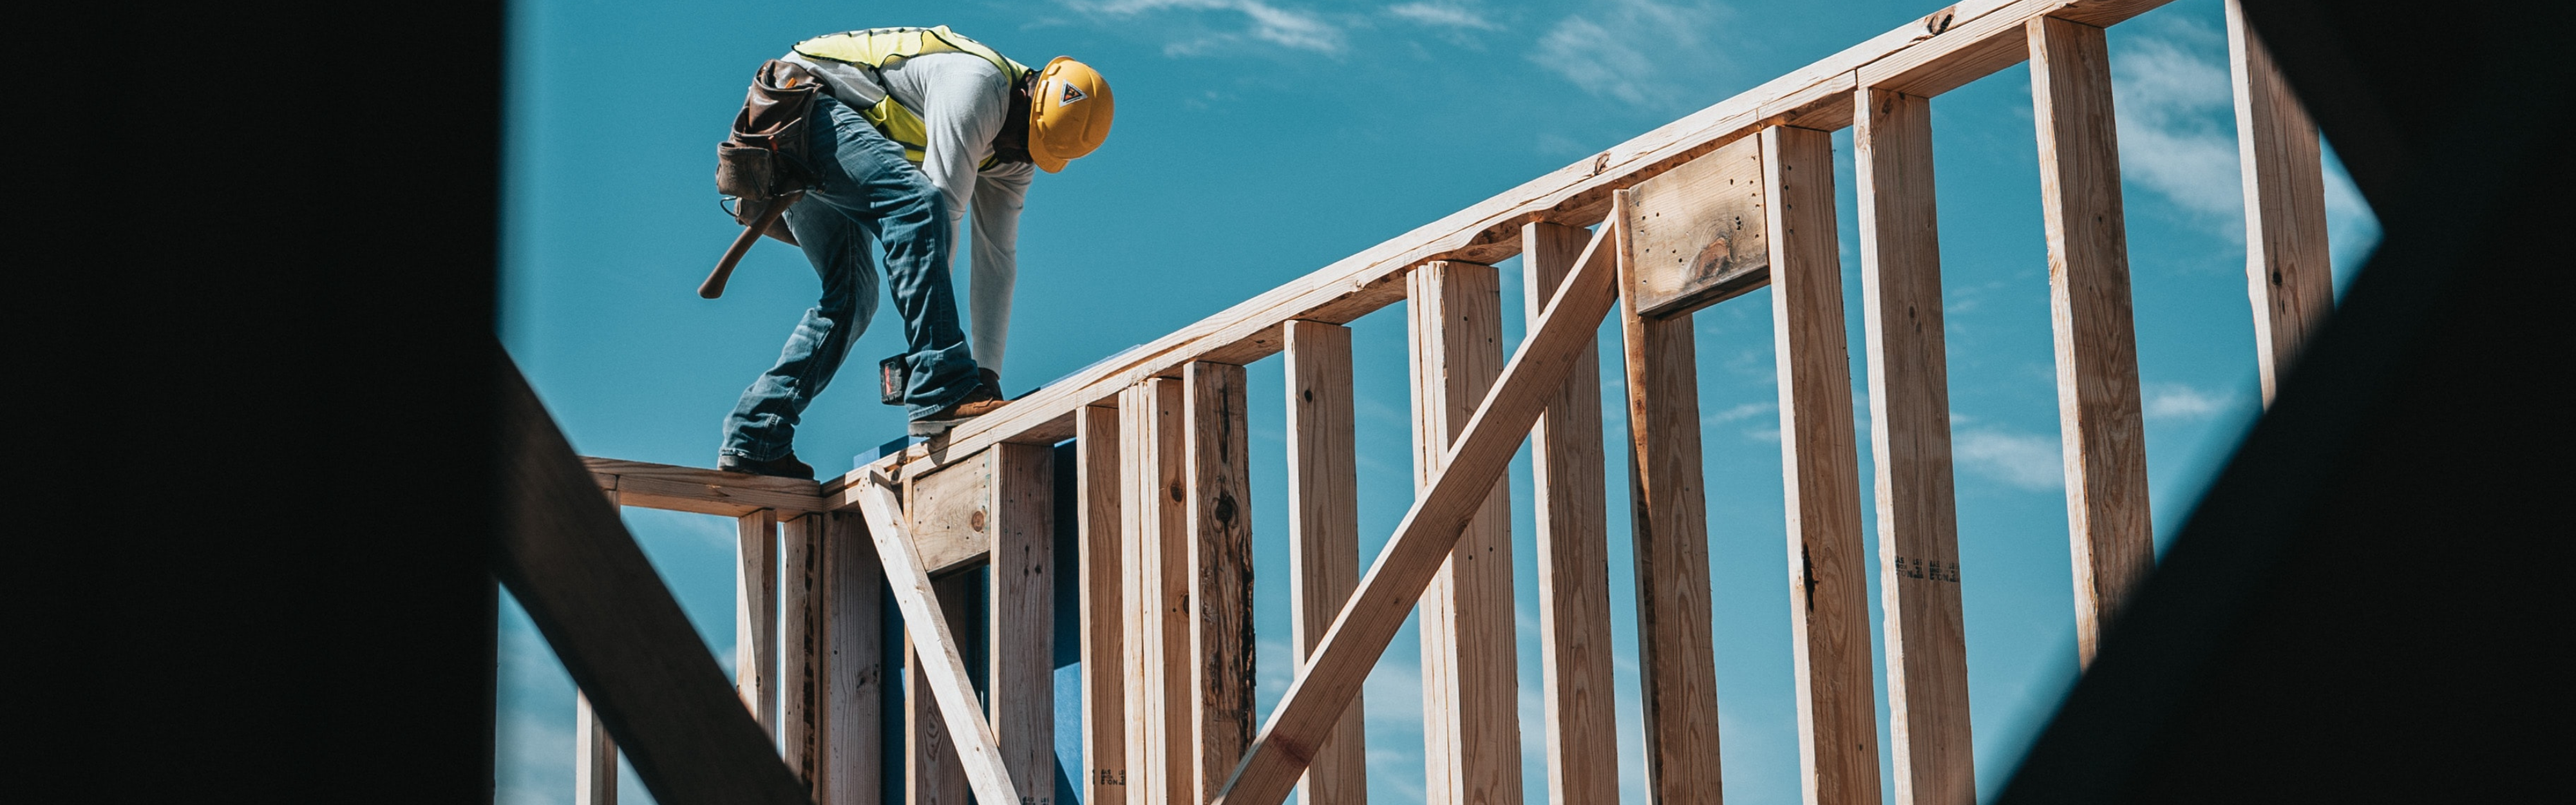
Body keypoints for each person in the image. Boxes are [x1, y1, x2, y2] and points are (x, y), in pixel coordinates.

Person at [717, 26, 1113, 478]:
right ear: (1028, 95)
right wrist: (941, 369)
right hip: (797, 109)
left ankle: (756, 435)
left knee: (852, 299)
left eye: (1031, 152)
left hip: (819, 136)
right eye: (1022, 140)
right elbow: (937, 212)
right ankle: (941, 383)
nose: (1016, 155)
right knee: (917, 205)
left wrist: (987, 375)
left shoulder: (1014, 154)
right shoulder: (978, 86)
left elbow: (996, 261)